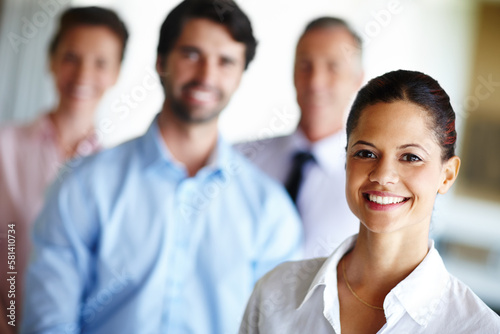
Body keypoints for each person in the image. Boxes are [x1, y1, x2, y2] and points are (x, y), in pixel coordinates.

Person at [21, 1, 302, 333]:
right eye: (191, 54)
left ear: (240, 75)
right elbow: (49, 322)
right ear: (160, 62)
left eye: (225, 61)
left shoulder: (270, 210)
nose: (206, 75)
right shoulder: (83, 185)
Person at [239, 70, 500, 333]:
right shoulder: (275, 291)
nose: (383, 176)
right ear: (346, 162)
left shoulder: (477, 327)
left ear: (447, 175)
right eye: (365, 153)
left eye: (410, 157)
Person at [0, 7, 127, 333]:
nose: (83, 74)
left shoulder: (117, 171)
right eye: (71, 56)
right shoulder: (5, 146)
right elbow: (9, 245)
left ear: (115, 74)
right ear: (51, 60)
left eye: (100, 62)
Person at [236, 17, 364, 259]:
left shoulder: (371, 187)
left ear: (357, 80)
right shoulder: (240, 160)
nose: (315, 82)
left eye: (333, 67)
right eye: (305, 65)